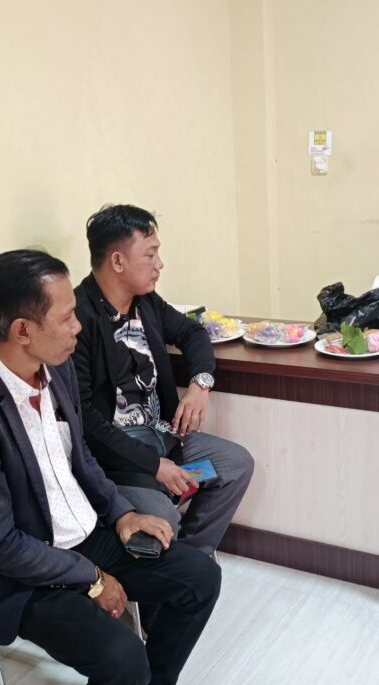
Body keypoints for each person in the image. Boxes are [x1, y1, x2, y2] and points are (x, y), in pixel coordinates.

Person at [0, 250, 223, 685]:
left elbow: (80, 456)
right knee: (121, 657)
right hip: (20, 574)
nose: (78, 327)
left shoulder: (54, 368)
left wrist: (121, 512)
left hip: (83, 534)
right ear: (23, 330)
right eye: (66, 317)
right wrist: (92, 577)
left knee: (198, 577)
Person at [73, 203, 254, 557]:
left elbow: (192, 332)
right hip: (117, 462)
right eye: (150, 254)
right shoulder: (79, 319)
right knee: (162, 517)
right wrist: (154, 467)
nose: (160, 264)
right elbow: (85, 418)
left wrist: (201, 384)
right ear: (117, 261)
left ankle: (193, 558)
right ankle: (177, 564)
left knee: (235, 464)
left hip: (166, 439)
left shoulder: (146, 302)